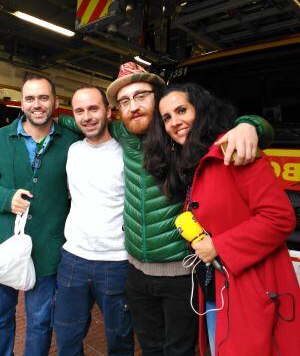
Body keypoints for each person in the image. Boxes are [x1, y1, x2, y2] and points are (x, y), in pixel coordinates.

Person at [59, 62, 274, 356]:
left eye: (141, 96)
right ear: (117, 111)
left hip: (180, 272)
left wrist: (251, 125)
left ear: (158, 97)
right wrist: (44, 116)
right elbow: (77, 119)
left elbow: (225, 123)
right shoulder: (121, 133)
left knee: (179, 350)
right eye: (124, 101)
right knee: (149, 347)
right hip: (134, 271)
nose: (133, 107)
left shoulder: (184, 135)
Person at [144, 82, 300, 356]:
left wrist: (219, 246)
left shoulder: (234, 151)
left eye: (182, 110)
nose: (174, 122)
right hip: (216, 287)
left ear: (201, 111)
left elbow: (280, 218)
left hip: (250, 290)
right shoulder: (190, 162)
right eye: (167, 117)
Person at [0, 75, 79, 356]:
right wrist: (5, 198)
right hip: (4, 246)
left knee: (40, 322)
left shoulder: (72, 143)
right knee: (1, 318)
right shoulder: (0, 139)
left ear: (55, 102)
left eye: (43, 98)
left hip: (49, 248)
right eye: (30, 98)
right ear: (21, 103)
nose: (37, 104)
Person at [53, 85, 134, 356]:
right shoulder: (72, 150)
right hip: (73, 259)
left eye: (93, 108)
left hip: (117, 262)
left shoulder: (128, 152)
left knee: (120, 342)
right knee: (66, 339)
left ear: (109, 111)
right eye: (79, 111)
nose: (87, 116)